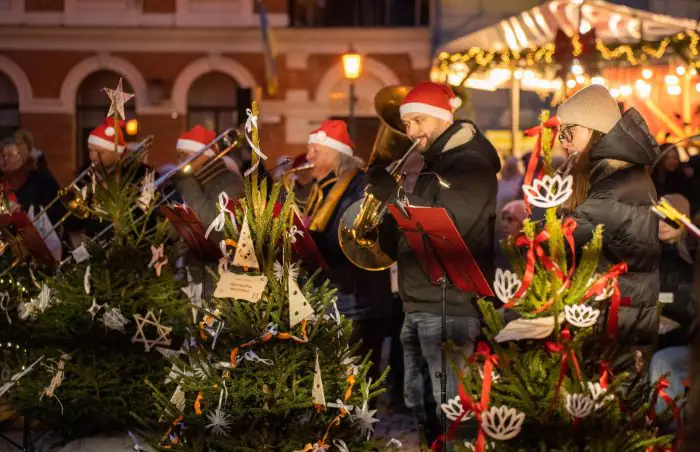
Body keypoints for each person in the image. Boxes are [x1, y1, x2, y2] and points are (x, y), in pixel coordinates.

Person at [371, 82, 501, 447]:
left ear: (444, 118)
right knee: (423, 407)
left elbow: (450, 223)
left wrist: (398, 198)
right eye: (407, 123)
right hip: (421, 302)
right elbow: (411, 236)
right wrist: (384, 220)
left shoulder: (470, 163)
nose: (410, 132)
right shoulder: (435, 165)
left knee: (452, 411)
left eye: (417, 121)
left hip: (451, 305)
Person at [556, 84, 661, 369]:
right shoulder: (606, 176)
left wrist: (546, 205)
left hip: (622, 321)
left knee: (617, 408)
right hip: (607, 314)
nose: (563, 141)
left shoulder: (621, 184)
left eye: (569, 131)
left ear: (593, 130)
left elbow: (564, 235)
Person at [305, 119, 393, 391]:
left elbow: (348, 241)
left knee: (358, 380)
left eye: (314, 151)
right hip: (340, 297)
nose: (308, 157)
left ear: (334, 153)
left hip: (358, 302)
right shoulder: (327, 187)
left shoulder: (357, 187)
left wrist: (309, 232)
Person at [0, 136, 66, 260]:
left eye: (11, 154)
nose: (4, 159)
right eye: (2, 155)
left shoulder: (43, 182)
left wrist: (26, 215)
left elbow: (57, 213)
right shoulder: (3, 184)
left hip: (40, 251)